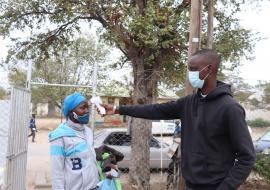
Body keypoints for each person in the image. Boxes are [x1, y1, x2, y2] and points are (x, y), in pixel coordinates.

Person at [101, 49, 256, 190]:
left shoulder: (230, 108)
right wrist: (117, 109)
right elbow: (154, 110)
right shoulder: (188, 102)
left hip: (216, 185)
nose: (190, 74)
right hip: (190, 184)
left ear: (209, 69)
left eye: (193, 69)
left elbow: (247, 156)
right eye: (189, 69)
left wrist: (226, 187)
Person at [48, 92, 99, 190]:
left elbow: (89, 158)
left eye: (87, 107)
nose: (87, 111)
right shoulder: (59, 137)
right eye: (82, 108)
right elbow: (57, 174)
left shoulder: (88, 131)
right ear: (71, 112)